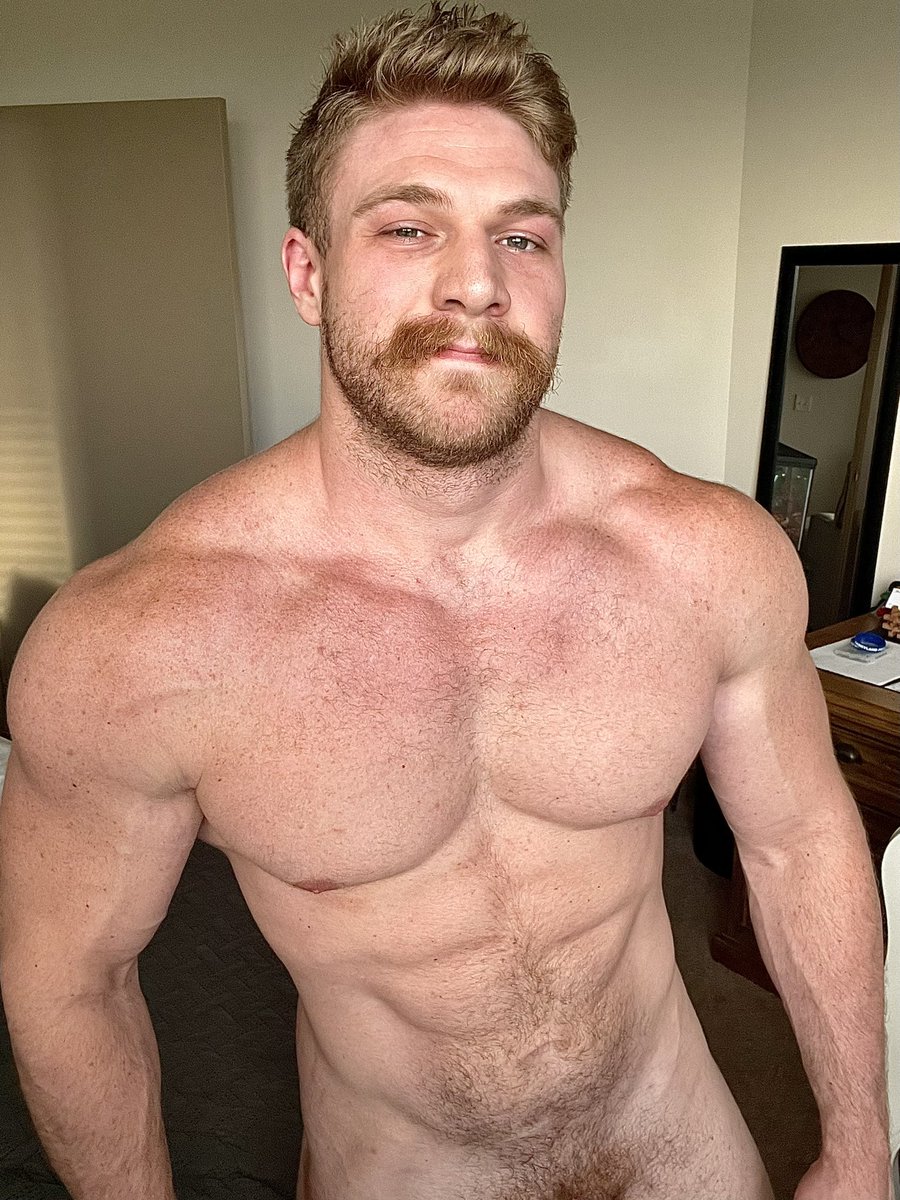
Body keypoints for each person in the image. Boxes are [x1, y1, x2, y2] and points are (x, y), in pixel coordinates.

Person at [0, 4, 889, 1198]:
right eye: (409, 227)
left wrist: (859, 1144)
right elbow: (70, 982)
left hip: (679, 1148)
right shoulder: (135, 646)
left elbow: (797, 842)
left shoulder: (705, 556)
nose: (476, 283)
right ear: (308, 272)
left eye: (522, 236)